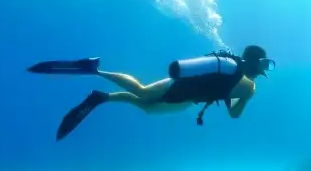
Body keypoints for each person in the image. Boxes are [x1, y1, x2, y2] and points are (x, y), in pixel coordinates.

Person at [28, 45, 275, 140]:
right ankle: (96, 70)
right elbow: (235, 115)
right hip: (181, 89)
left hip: (187, 97)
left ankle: (101, 97)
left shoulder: (233, 69)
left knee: (147, 107)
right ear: (256, 65)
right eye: (261, 68)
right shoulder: (247, 85)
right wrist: (245, 99)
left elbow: (224, 98)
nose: (259, 74)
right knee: (144, 92)